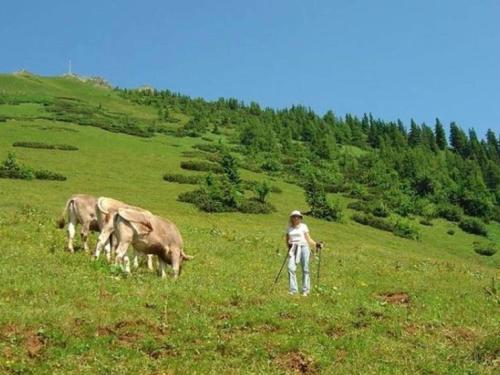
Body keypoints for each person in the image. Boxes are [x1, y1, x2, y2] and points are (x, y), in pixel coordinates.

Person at [285, 210, 322, 296]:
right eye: (294, 216)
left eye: (298, 216)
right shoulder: (289, 228)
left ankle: (306, 290)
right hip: (294, 248)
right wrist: (289, 246)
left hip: (304, 247)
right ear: (291, 218)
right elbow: (287, 240)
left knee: (305, 268)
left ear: (300, 218)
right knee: (290, 268)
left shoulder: (303, 226)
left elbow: (308, 238)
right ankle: (293, 290)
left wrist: (316, 244)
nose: (296, 218)